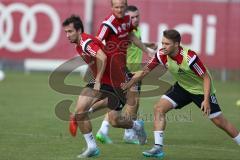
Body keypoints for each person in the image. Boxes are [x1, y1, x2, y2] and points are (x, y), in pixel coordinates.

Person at [122, 29, 240, 158]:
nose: (163, 46)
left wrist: (206, 100)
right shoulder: (161, 55)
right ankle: (158, 148)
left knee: (219, 121)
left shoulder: (190, 57)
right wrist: (129, 83)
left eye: (167, 44)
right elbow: (144, 72)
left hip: (201, 91)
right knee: (159, 108)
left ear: (176, 44)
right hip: (182, 87)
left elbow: (206, 77)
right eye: (162, 43)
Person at [62, 15, 147, 158]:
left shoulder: (86, 42)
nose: (67, 35)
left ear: (78, 30)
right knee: (80, 111)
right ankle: (92, 147)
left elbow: (102, 57)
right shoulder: (79, 44)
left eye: (70, 31)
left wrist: (98, 80)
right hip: (103, 81)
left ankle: (137, 126)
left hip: (117, 83)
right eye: (65, 32)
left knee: (115, 121)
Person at [94, 0, 154, 145]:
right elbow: (100, 42)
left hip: (129, 70)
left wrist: (147, 48)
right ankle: (128, 131)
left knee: (119, 104)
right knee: (131, 101)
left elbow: (132, 38)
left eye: (137, 16)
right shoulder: (111, 26)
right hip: (122, 71)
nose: (135, 19)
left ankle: (104, 128)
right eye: (132, 17)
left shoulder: (130, 26)